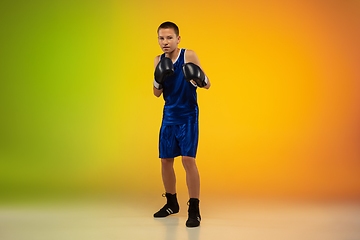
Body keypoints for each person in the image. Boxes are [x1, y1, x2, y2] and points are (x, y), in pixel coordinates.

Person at [152, 21, 211, 228]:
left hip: (188, 116)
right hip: (169, 115)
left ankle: (194, 209)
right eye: (161, 38)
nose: (165, 42)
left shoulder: (189, 55)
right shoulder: (158, 60)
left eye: (169, 38)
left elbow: (208, 84)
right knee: (165, 161)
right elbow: (157, 93)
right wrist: (158, 78)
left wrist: (197, 78)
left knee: (187, 160)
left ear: (178, 39)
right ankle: (171, 203)